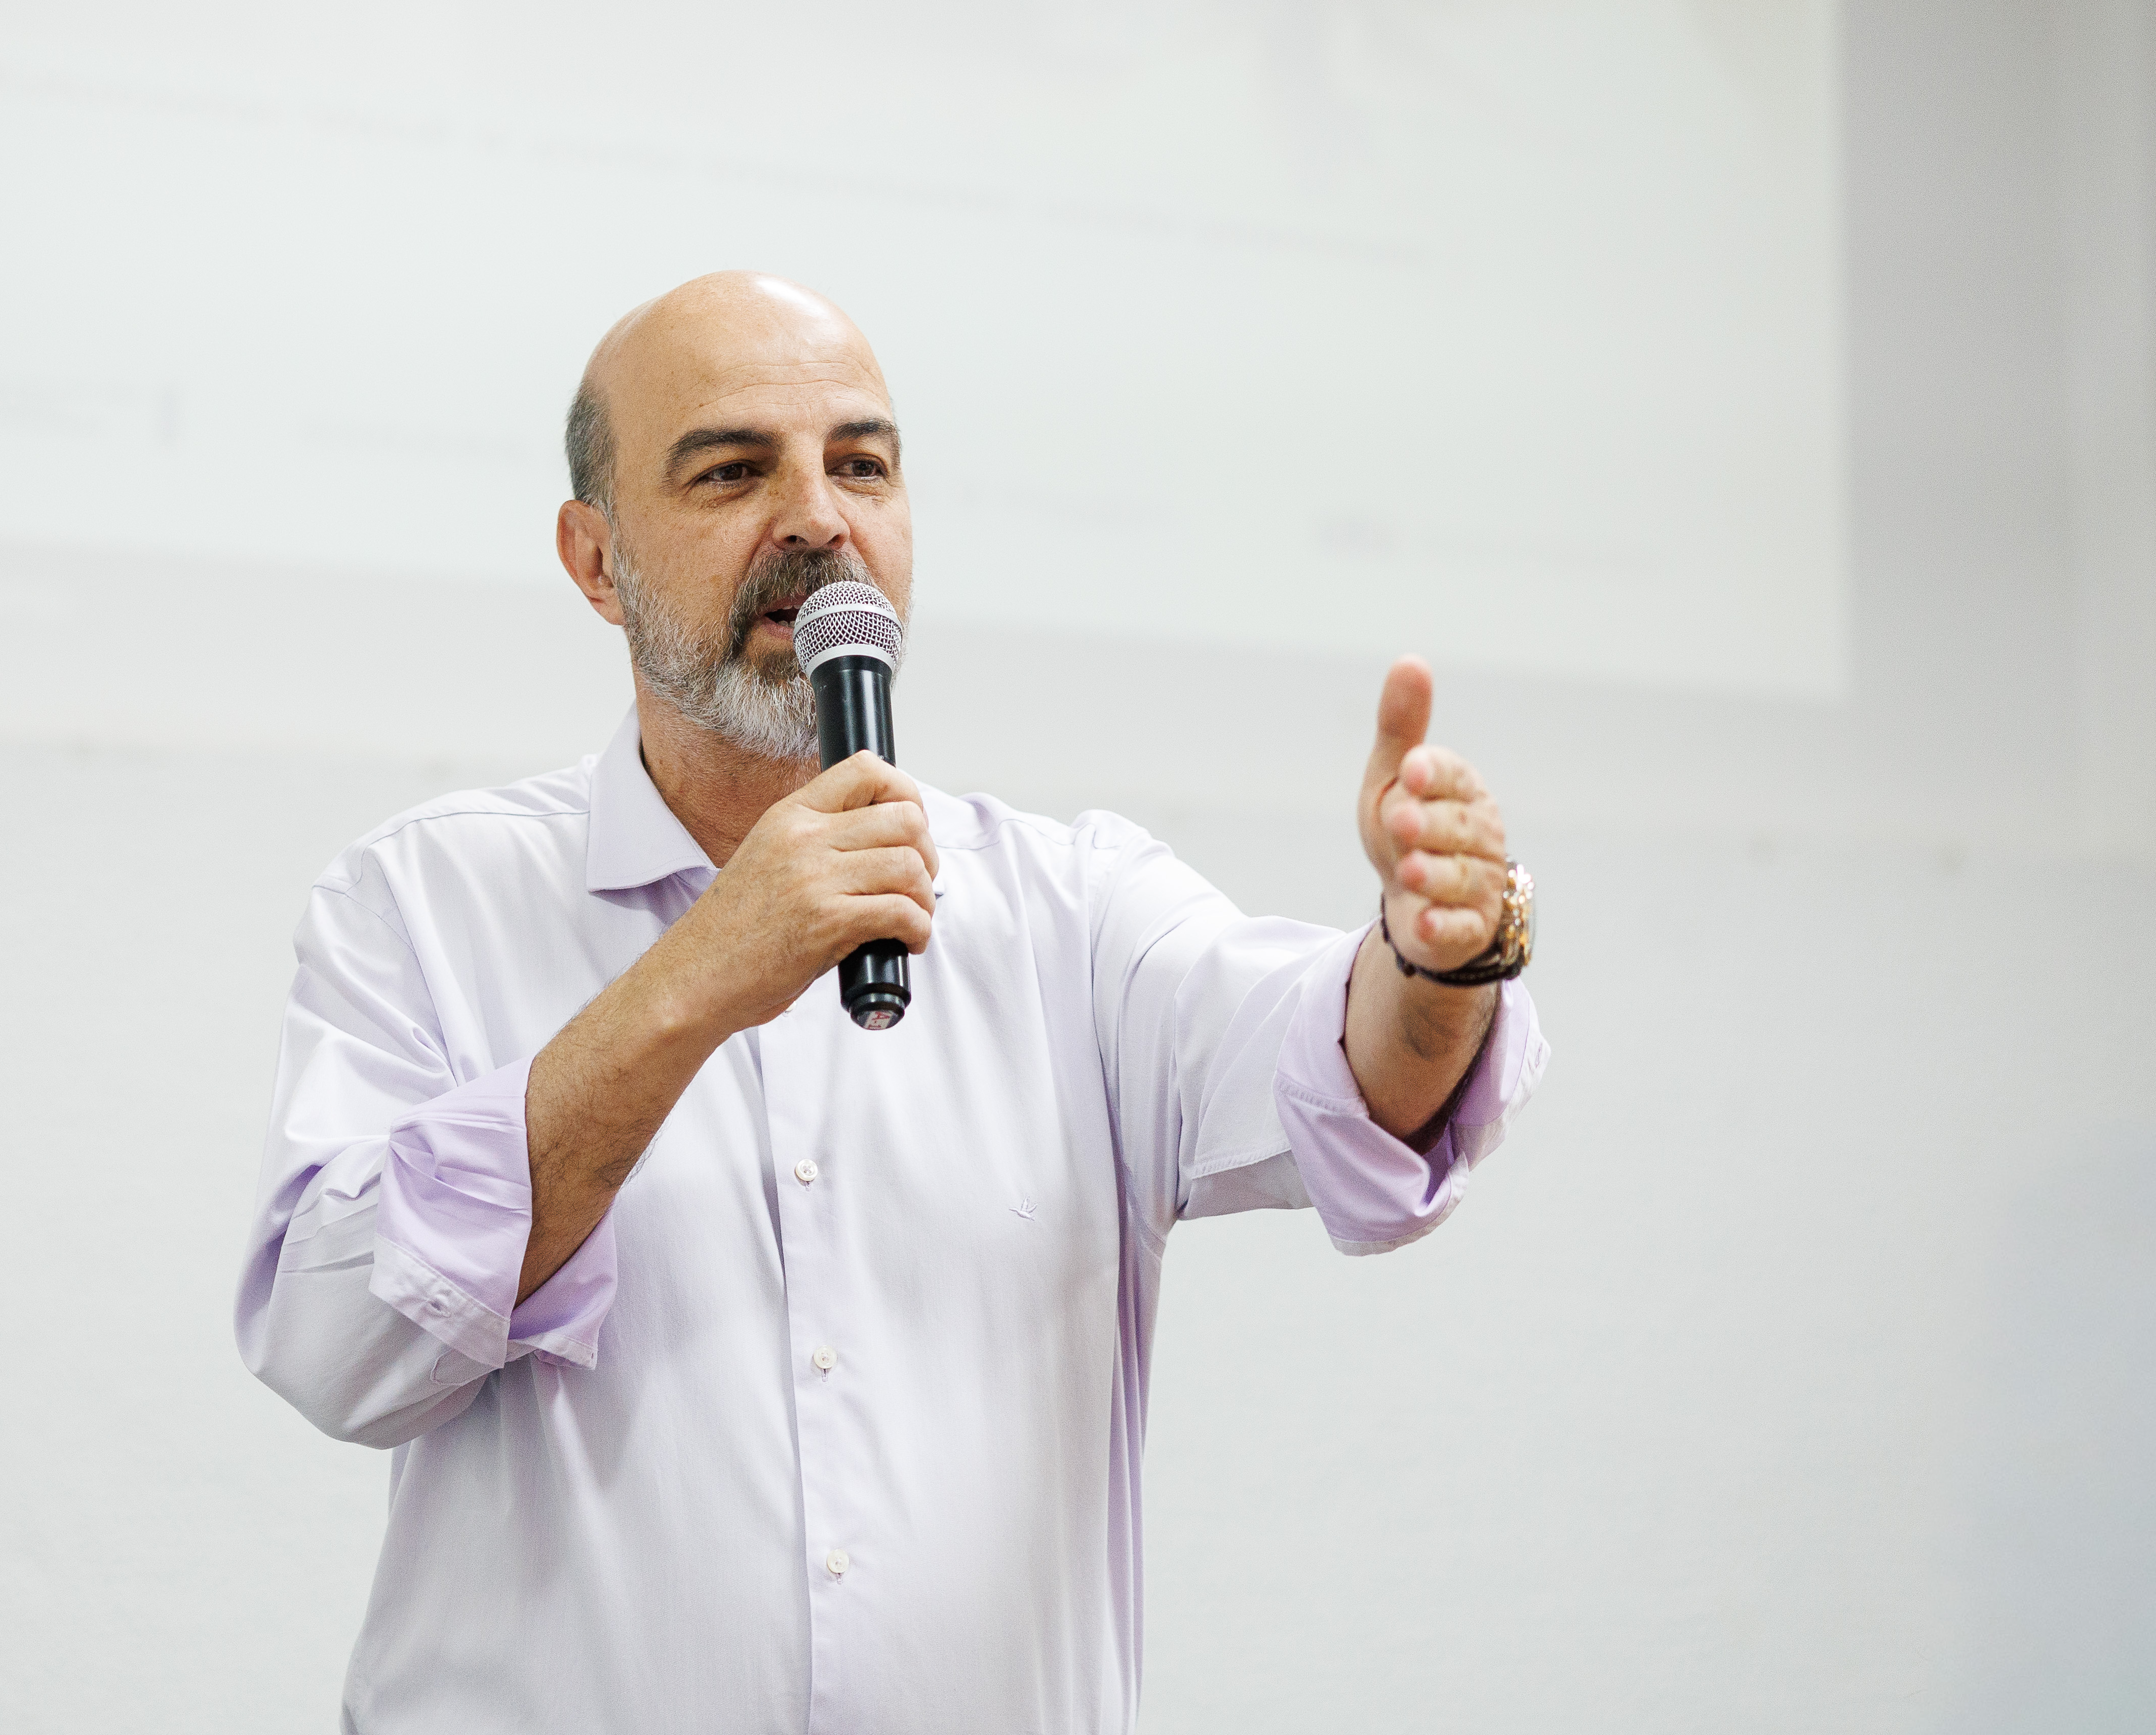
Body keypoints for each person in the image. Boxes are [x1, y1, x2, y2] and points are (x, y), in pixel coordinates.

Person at [236, 272, 1547, 1734]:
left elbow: (1351, 1086)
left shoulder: (1073, 914)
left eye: (860, 465)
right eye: (733, 472)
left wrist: (1438, 963)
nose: (816, 518)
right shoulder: (421, 902)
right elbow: (336, 1342)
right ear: (594, 561)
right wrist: (691, 983)